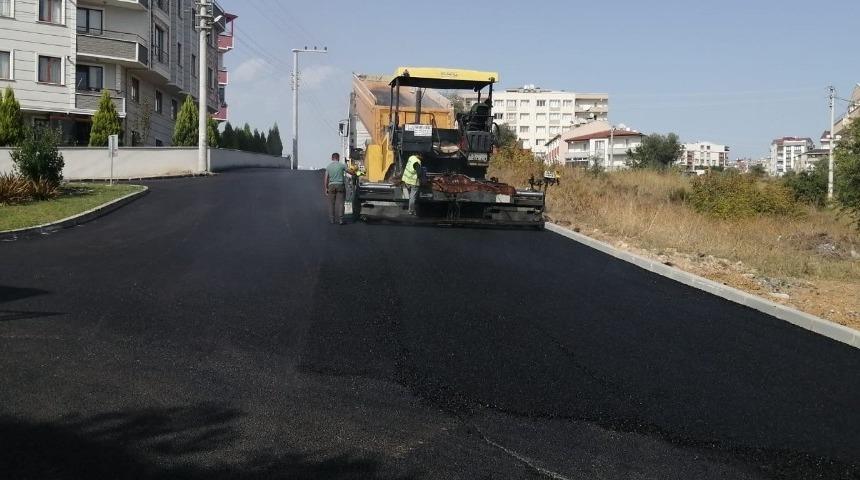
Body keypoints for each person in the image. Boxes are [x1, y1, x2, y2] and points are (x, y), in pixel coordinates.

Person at [324, 152, 347, 224]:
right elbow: (350, 171)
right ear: (338, 158)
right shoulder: (342, 165)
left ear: (332, 158)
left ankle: (332, 219)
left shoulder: (328, 167)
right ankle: (341, 220)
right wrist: (355, 173)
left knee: (331, 203)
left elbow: (325, 178)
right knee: (341, 203)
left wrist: (326, 188)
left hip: (331, 186)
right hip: (340, 185)